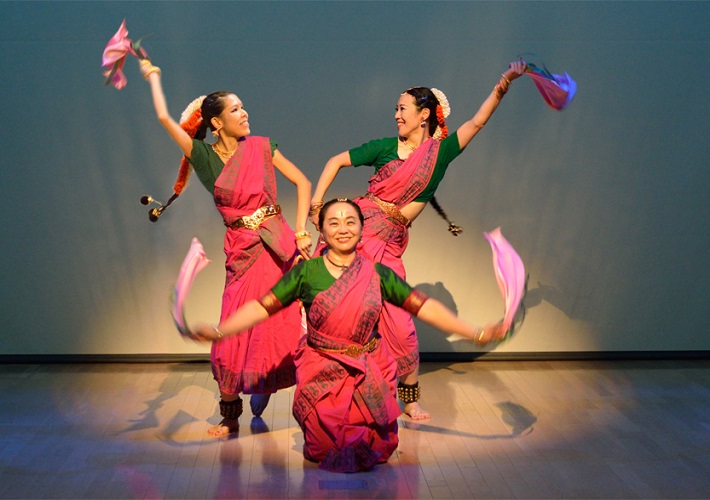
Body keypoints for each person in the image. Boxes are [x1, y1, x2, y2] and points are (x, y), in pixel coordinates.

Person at [187, 199, 507, 472]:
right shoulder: (306, 273)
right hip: (320, 373)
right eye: (334, 222)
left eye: (351, 222)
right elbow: (262, 307)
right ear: (322, 230)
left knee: (378, 450)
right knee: (321, 450)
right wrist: (219, 331)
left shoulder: (377, 274)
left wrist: (476, 333)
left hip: (369, 372)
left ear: (362, 229)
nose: (343, 229)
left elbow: (424, 307)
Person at [308, 61, 526, 420]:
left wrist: (503, 84)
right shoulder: (384, 148)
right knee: (343, 315)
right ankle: (336, 395)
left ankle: (409, 399)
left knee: (401, 327)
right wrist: (317, 207)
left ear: (424, 115)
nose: (396, 115)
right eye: (396, 109)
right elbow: (334, 162)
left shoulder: (440, 153)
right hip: (360, 237)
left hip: (390, 244)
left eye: (402, 109)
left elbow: (476, 123)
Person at [139, 58, 313, 437]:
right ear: (216, 122)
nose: (244, 113)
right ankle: (230, 415)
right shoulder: (203, 157)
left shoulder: (262, 147)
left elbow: (302, 182)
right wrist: (154, 77)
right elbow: (165, 118)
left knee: (283, 324)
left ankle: (270, 387)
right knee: (230, 336)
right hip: (242, 251)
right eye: (235, 109)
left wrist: (301, 230)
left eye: (243, 106)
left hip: (278, 245)